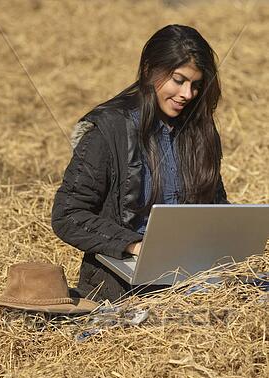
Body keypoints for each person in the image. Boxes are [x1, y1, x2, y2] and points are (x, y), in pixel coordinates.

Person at [51, 24, 229, 302]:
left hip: (192, 274)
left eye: (196, 85)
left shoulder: (200, 131)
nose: (188, 94)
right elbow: (68, 214)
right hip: (123, 285)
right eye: (178, 80)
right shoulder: (109, 129)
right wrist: (135, 245)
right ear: (149, 70)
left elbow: (215, 206)